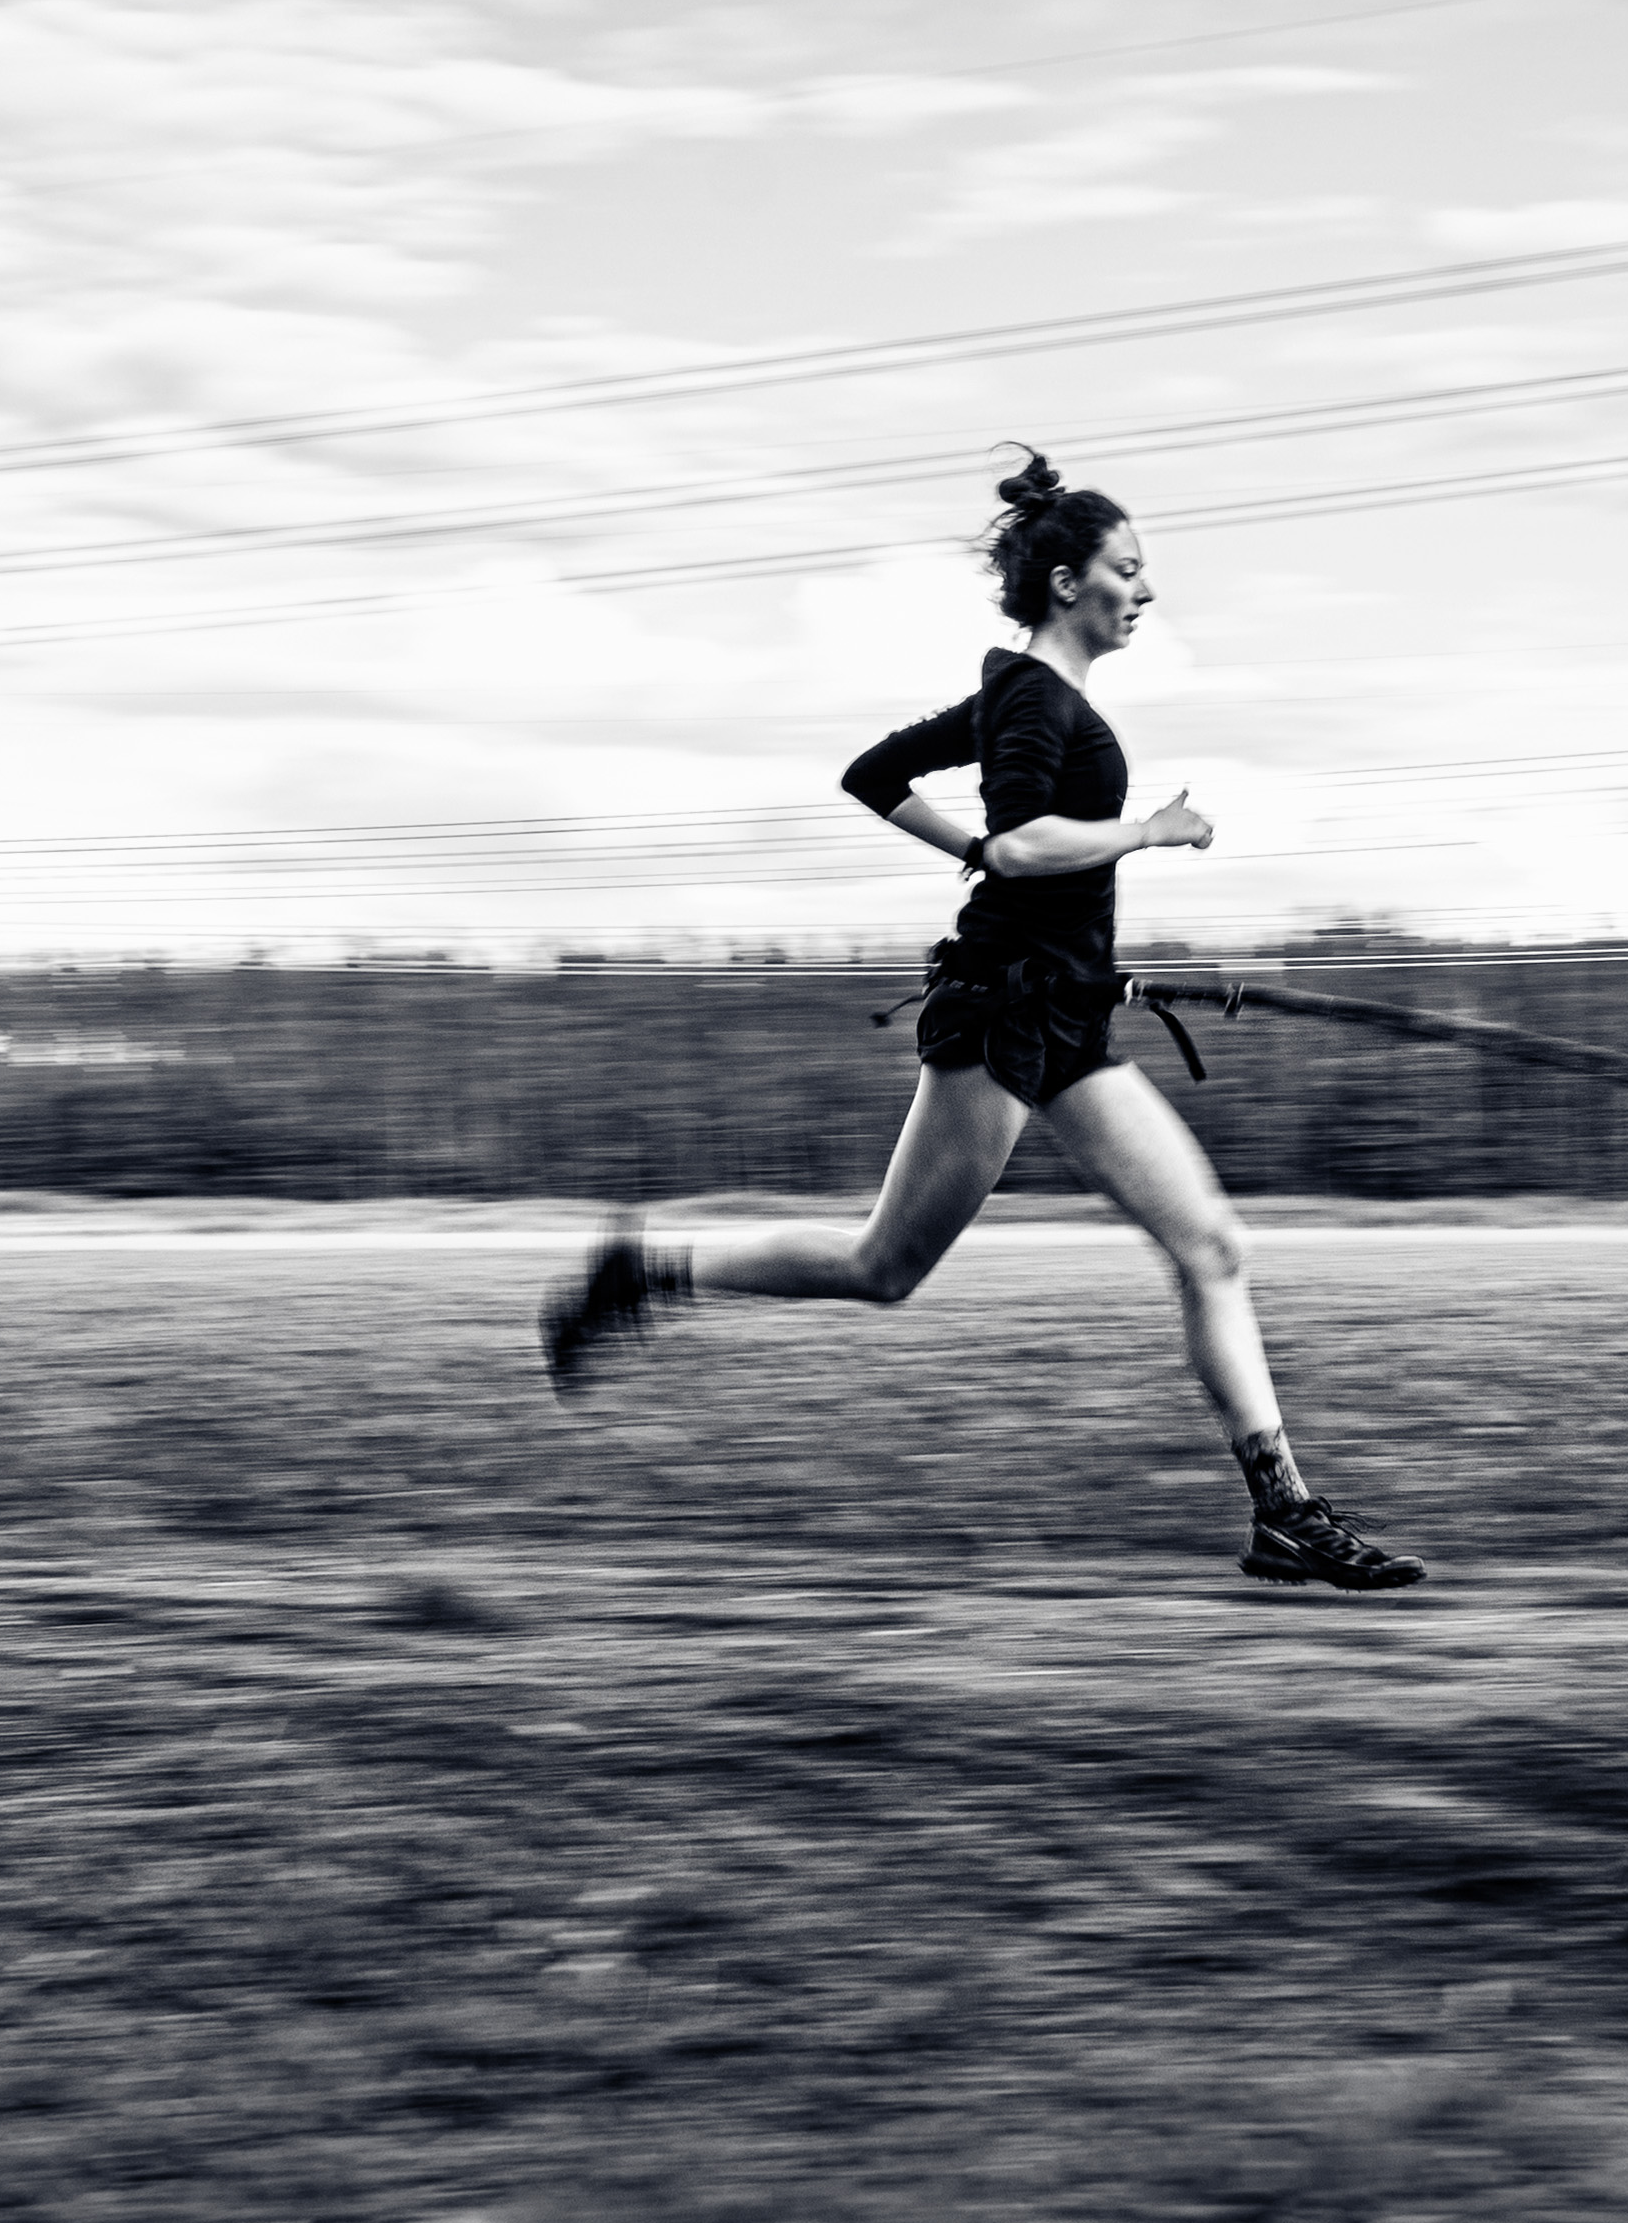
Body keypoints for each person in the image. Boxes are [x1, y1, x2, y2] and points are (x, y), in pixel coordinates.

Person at [536, 449, 1424, 1593]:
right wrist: (1146, 831)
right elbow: (1022, 844)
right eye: (1129, 568)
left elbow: (880, 774)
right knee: (884, 1265)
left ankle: (1286, 1512)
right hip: (1002, 1022)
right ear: (1068, 582)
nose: (1146, 591)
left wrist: (1032, 904)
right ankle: (644, 1273)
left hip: (1065, 1019)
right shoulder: (1033, 698)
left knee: (1211, 1243)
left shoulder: (1024, 696)